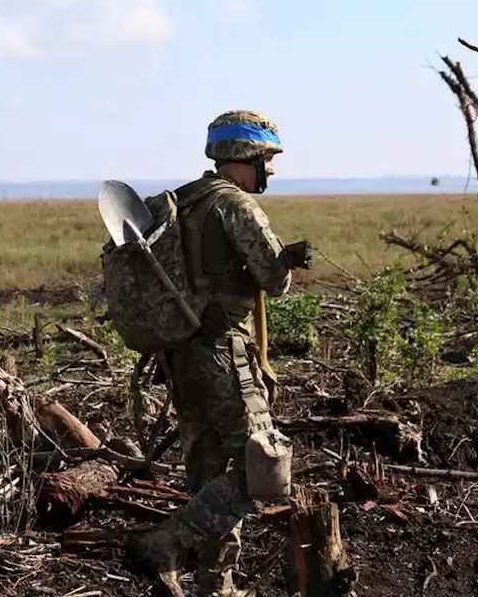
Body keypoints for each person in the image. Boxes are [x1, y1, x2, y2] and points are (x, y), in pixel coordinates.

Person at [125, 110, 313, 596]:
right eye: (267, 159)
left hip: (181, 356)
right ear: (246, 156)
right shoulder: (237, 206)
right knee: (264, 468)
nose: (270, 171)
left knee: (209, 477)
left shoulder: (185, 201)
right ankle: (167, 542)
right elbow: (275, 281)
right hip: (223, 354)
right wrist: (284, 264)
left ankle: (217, 586)